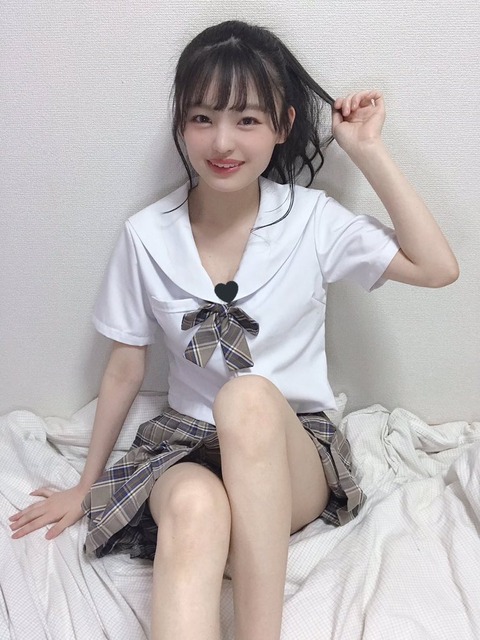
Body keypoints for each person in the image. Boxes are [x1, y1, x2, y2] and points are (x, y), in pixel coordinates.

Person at [9, 19, 458, 640]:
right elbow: (125, 366)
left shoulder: (311, 221)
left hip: (290, 450)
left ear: (283, 126)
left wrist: (367, 151)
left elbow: (436, 268)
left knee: (245, 397)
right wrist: (86, 486)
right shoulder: (147, 234)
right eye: (202, 118)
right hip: (184, 445)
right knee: (193, 507)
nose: (222, 141)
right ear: (181, 124)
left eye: (247, 119)